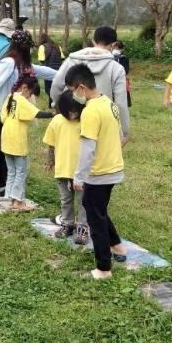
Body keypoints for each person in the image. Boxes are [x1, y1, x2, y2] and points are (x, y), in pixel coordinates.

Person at [0, 30, 57, 205]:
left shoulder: (21, 65)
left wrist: (64, 72)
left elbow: (41, 71)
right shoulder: (8, 63)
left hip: (4, 114)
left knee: (0, 151)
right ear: (24, 48)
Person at [66, 63, 127, 280]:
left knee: (95, 218)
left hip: (100, 172)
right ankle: (118, 247)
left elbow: (88, 148)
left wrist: (79, 176)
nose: (74, 95)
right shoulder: (108, 103)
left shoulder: (91, 111)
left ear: (82, 87)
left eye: (73, 90)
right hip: (113, 167)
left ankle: (103, 268)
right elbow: (120, 136)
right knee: (97, 208)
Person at [49, 26, 130, 143]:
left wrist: (59, 106)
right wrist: (124, 131)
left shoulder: (71, 60)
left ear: (93, 41)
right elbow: (121, 103)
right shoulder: (116, 68)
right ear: (114, 45)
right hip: (102, 122)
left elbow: (56, 85)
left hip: (73, 117)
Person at [0, 74, 50, 211]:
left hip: (6, 136)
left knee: (11, 171)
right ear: (25, 87)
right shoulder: (21, 100)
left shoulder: (10, 96)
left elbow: (2, 117)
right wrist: (53, 114)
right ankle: (18, 201)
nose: (30, 96)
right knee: (21, 171)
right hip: (17, 138)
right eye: (31, 93)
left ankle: (9, 199)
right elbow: (36, 113)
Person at [44, 91, 86, 242]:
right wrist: (50, 161)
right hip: (63, 170)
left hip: (82, 172)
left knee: (83, 202)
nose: (73, 114)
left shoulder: (85, 121)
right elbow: (51, 144)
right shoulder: (56, 121)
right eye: (70, 111)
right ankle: (67, 224)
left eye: (76, 110)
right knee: (66, 200)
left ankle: (82, 228)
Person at [36, 33, 63, 107]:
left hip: (48, 70)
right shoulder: (57, 46)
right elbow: (62, 58)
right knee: (57, 87)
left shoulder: (42, 46)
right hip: (59, 70)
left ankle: (53, 104)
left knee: (48, 89)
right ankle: (53, 104)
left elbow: (41, 59)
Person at [112, 41, 132, 107]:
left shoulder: (108, 56)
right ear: (123, 49)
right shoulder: (124, 58)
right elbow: (126, 71)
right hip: (121, 80)